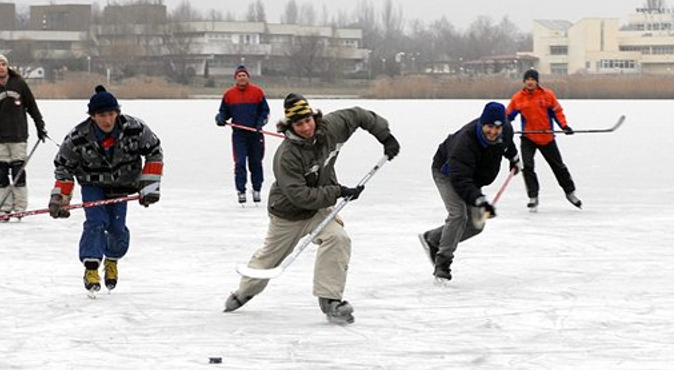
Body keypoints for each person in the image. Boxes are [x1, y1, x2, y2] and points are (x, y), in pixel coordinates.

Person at [224, 93, 400, 324]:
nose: (306, 127)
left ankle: (330, 300)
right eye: (299, 124)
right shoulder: (286, 156)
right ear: (290, 126)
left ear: (314, 116)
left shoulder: (332, 127)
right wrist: (338, 191)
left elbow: (359, 115)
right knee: (268, 260)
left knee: (338, 239)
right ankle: (243, 292)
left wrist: (385, 136)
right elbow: (300, 195)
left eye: (308, 120)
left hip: (319, 210)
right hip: (288, 213)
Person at [48, 85, 164, 295]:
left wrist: (150, 186)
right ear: (93, 116)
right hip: (93, 185)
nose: (107, 120)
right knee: (96, 222)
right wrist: (60, 198)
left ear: (117, 113)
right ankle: (91, 268)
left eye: (111, 114)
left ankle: (112, 259)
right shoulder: (77, 137)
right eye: (102, 115)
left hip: (121, 185)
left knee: (117, 228)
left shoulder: (135, 128)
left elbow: (154, 151)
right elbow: (63, 165)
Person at [418, 102, 520, 282]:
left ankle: (432, 238)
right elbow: (460, 180)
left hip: (472, 179)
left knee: (476, 225)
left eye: (498, 127)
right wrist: (479, 200)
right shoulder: (465, 142)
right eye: (489, 127)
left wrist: (514, 158)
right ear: (482, 124)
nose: (494, 132)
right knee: (458, 214)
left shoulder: (506, 129)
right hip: (448, 174)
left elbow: (507, 143)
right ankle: (443, 263)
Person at [0, 53, 47, 220]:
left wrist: (40, 126)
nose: (1, 67)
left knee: (18, 171)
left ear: (7, 66)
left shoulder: (19, 84)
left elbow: (32, 106)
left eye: (3, 64)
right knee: (1, 172)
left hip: (18, 134)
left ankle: (20, 207)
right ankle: (4, 208)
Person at [506, 69, 581, 212]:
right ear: (524, 81)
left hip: (547, 138)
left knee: (558, 166)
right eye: (527, 79)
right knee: (527, 167)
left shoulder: (548, 95)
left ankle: (570, 192)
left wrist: (564, 126)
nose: (530, 82)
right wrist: (501, 127)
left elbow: (557, 112)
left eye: (532, 79)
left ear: (537, 81)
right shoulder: (518, 98)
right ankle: (533, 197)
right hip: (528, 137)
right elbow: (508, 116)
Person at [215, 65, 270, 204]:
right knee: (239, 163)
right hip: (239, 135)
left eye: (244, 75)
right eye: (239, 75)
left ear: (248, 77)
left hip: (255, 134)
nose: (242, 78)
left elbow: (265, 112)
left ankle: (257, 189)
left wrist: (260, 124)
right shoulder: (229, 95)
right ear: (236, 78)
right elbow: (224, 112)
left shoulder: (257, 92)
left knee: (255, 163)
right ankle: (241, 191)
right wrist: (220, 118)